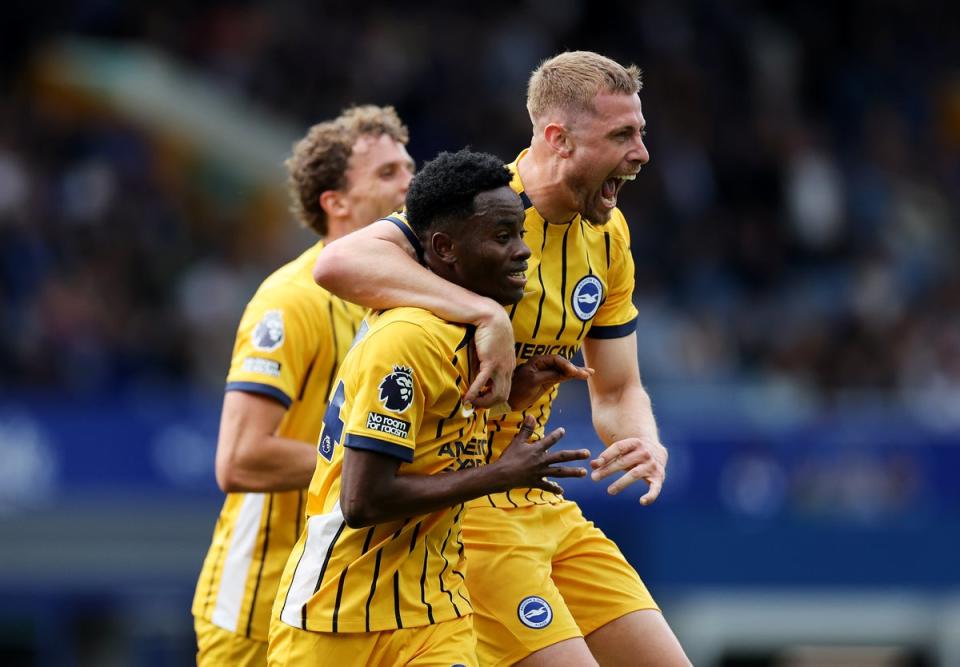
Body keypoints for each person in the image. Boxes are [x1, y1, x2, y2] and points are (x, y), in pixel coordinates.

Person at [313, 52, 692, 666]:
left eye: (641, 132)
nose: (642, 152)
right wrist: (484, 313)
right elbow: (337, 263)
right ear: (557, 139)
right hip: (465, 508)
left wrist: (644, 440)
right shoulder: (482, 210)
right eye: (622, 135)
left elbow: (618, 391)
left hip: (539, 498)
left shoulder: (609, 235)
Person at [267, 149, 593, 667]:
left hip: (435, 610)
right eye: (502, 237)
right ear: (445, 248)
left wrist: (520, 395)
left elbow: (441, 449)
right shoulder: (407, 339)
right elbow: (363, 501)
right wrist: (500, 475)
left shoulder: (473, 339)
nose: (523, 253)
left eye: (522, 235)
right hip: (336, 618)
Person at [191, 105, 416, 666]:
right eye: (387, 174)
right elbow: (240, 459)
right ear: (335, 204)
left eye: (410, 167)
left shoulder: (409, 301)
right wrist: (375, 464)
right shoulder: (291, 302)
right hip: (259, 612)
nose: (410, 183)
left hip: (354, 602)